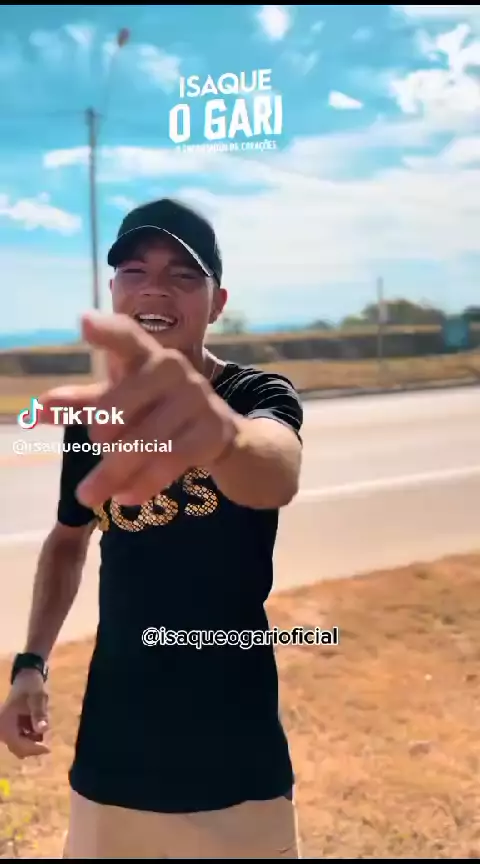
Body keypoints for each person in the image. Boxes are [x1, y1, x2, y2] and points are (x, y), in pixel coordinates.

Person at [0, 198, 304, 858]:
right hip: (113, 760)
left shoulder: (256, 397)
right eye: (134, 271)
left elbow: (275, 470)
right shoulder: (98, 417)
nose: (155, 288)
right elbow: (68, 539)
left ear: (218, 303)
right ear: (113, 293)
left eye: (183, 275)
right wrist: (30, 665)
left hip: (236, 767)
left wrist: (221, 437)